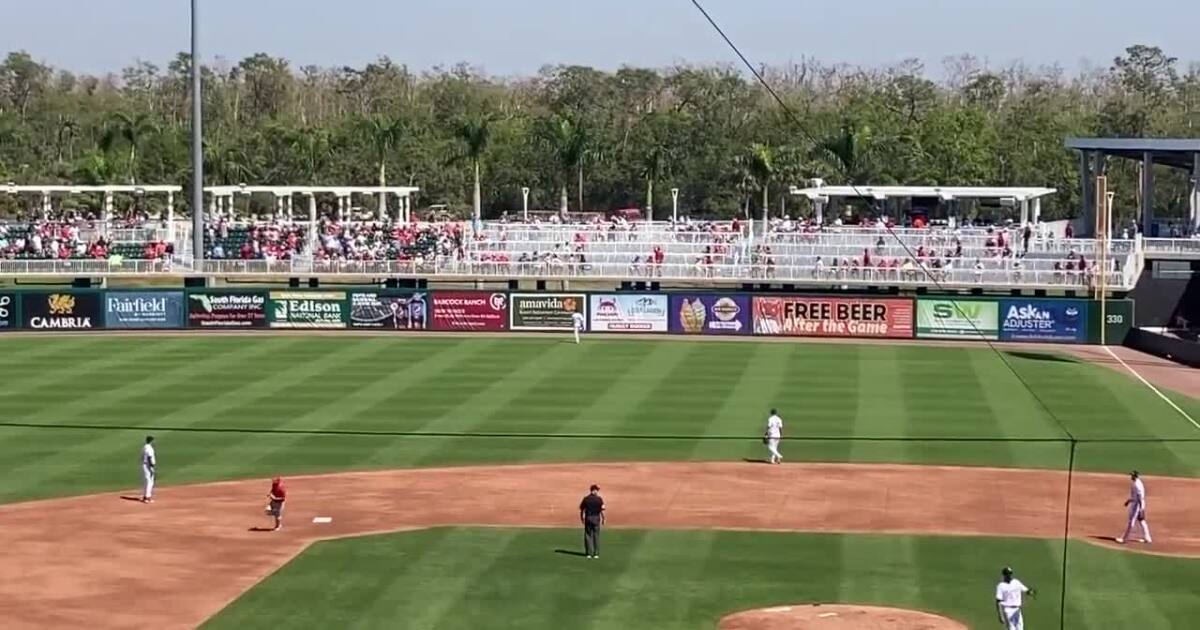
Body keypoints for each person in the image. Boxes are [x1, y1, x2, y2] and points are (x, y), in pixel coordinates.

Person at [1117, 470, 1152, 544]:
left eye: (1132, 475)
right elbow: (1135, 496)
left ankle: (1124, 539)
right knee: (1142, 521)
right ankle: (1148, 538)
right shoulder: (1137, 482)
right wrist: (1129, 501)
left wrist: (1141, 509)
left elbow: (1140, 498)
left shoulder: (1137, 485)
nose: (1131, 477)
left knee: (1131, 521)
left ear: (1135, 476)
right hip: (1137, 503)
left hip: (1137, 505)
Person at [579, 484, 605, 558]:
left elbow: (582, 509)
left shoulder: (586, 499)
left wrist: (582, 518)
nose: (597, 491)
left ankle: (589, 553)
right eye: (596, 490)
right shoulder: (599, 499)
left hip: (588, 518)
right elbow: (602, 510)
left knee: (588, 535)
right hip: (596, 518)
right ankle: (596, 554)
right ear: (593, 490)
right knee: (596, 536)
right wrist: (603, 518)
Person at [141, 436, 156, 503]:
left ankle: (146, 496)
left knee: (147, 481)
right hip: (148, 465)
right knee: (149, 481)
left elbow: (142, 456)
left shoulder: (144, 447)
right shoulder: (149, 448)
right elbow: (149, 457)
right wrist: (151, 467)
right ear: (151, 441)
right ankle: (147, 497)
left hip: (145, 464)